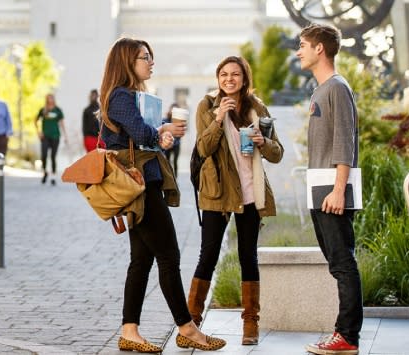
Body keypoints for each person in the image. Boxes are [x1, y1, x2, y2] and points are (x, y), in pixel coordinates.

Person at [99, 37, 226, 353]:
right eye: (145, 57)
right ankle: (187, 329)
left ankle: (130, 330)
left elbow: (142, 138)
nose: (150, 62)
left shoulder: (132, 96)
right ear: (127, 61)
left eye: (150, 56)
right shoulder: (120, 96)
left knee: (141, 261)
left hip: (144, 184)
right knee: (169, 257)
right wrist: (164, 128)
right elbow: (141, 134)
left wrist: (162, 136)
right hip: (139, 189)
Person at [186, 55, 284, 346]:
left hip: (251, 190)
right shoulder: (207, 106)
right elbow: (203, 147)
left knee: (248, 257)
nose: (229, 79)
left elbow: (277, 153)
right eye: (224, 74)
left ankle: (250, 323)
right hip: (217, 191)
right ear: (218, 79)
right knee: (209, 255)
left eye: (235, 74)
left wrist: (262, 142)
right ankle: (192, 323)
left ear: (244, 78)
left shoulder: (257, 108)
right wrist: (218, 118)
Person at [297, 23, 363, 355]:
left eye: (303, 45)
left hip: (332, 190)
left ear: (319, 48)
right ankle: (343, 333)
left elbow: (344, 142)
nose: (299, 51)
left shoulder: (337, 88)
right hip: (320, 188)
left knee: (342, 262)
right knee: (336, 262)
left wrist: (338, 190)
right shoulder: (320, 89)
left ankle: (347, 336)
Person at [36, 93, 67, 185]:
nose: (50, 100)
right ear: (46, 100)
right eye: (48, 98)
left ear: (54, 99)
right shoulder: (43, 110)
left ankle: (53, 176)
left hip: (55, 136)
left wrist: (65, 136)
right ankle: (45, 172)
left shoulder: (58, 110)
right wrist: (39, 132)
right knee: (44, 155)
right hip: (45, 136)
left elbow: (62, 123)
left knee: (53, 156)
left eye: (52, 98)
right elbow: (36, 120)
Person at [162, 103, 182, 176]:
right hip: (167, 144)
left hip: (176, 144)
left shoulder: (179, 120)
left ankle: (175, 177)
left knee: (175, 162)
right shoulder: (165, 120)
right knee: (167, 161)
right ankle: (169, 176)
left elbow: (180, 134)